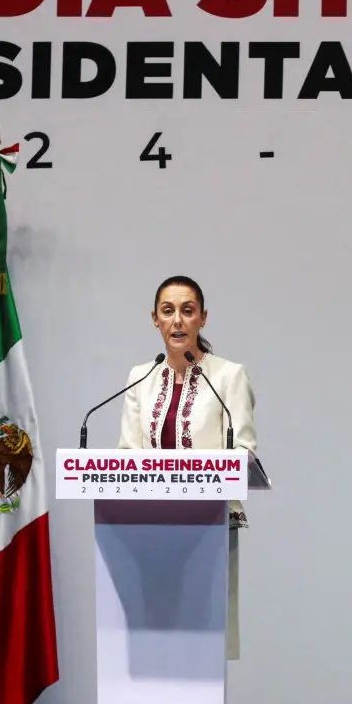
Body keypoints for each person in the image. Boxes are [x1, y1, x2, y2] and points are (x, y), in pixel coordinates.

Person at [117, 274, 258, 660]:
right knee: (153, 651)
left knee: (200, 654)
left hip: (208, 528)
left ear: (202, 319)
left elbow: (243, 452)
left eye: (187, 311)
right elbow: (127, 456)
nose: (177, 320)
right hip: (146, 530)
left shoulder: (228, 376)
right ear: (155, 319)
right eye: (168, 311)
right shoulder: (140, 379)